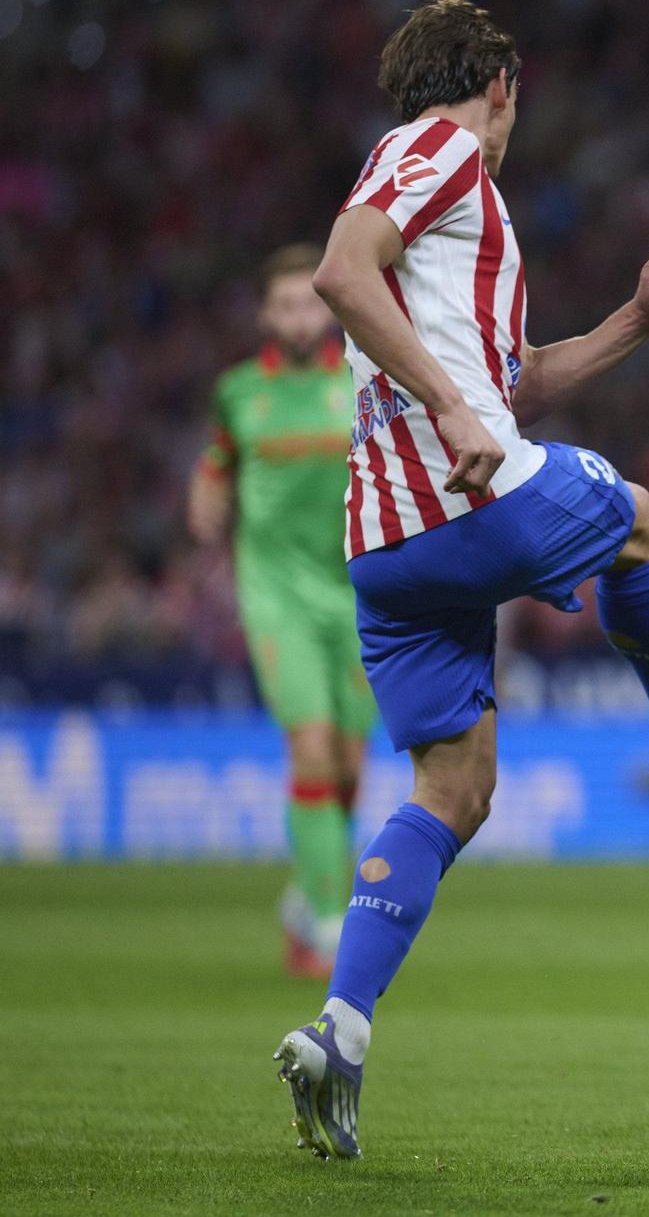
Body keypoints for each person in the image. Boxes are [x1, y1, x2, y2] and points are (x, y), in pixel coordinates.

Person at [272, 0, 649, 1161]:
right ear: (502, 83)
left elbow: (513, 380)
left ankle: (341, 1029)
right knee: (638, 521)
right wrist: (454, 405)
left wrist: (635, 319)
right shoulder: (439, 149)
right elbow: (338, 272)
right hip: (457, 498)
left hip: (387, 548)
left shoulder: (459, 218)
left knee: (454, 789)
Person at [189, 244, 377, 980]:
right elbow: (214, 468)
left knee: (349, 768)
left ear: (328, 308)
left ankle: (306, 896)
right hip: (277, 601)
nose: (301, 316)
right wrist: (205, 506)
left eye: (311, 302)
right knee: (311, 751)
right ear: (268, 315)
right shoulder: (238, 393)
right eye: (286, 305)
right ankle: (332, 923)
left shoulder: (363, 381)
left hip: (358, 595)